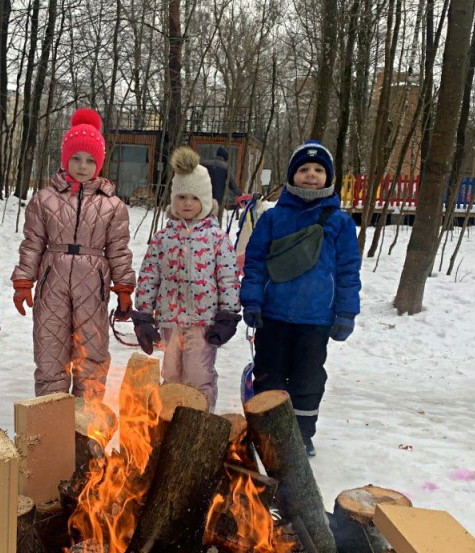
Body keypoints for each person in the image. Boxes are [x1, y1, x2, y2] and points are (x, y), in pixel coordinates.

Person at [239, 140, 361, 457]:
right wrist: (251, 300)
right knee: (269, 375)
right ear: (292, 176)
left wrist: (346, 313)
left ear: (329, 177)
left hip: (316, 320)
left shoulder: (340, 222)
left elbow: (348, 271)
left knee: (308, 380)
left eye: (318, 170)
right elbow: (255, 263)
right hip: (273, 316)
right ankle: (264, 432)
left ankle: (301, 436)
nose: (310, 175)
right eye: (303, 169)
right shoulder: (272, 219)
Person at [11, 108, 136, 400]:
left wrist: (124, 288)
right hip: (52, 280)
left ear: (100, 163)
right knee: (50, 349)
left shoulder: (112, 205)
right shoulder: (45, 199)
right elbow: (32, 243)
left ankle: (87, 423)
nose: (83, 166)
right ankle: (49, 418)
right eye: (76, 158)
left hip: (93, 284)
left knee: (91, 350)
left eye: (90, 160)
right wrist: (23, 282)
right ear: (65, 159)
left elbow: (118, 249)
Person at [131, 147, 240, 410]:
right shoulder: (163, 238)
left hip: (203, 323)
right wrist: (144, 315)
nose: (187, 203)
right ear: (173, 199)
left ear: (205, 200)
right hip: (170, 321)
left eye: (194, 197)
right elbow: (149, 276)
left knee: (199, 375)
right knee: (171, 375)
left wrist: (228, 314)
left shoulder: (217, 239)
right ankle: (170, 424)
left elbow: (228, 278)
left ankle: (200, 425)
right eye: (181, 197)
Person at [202, 146, 241, 219]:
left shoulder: (204, 164)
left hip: (204, 194)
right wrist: (239, 193)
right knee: (213, 217)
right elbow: (231, 183)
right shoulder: (225, 167)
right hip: (218, 197)